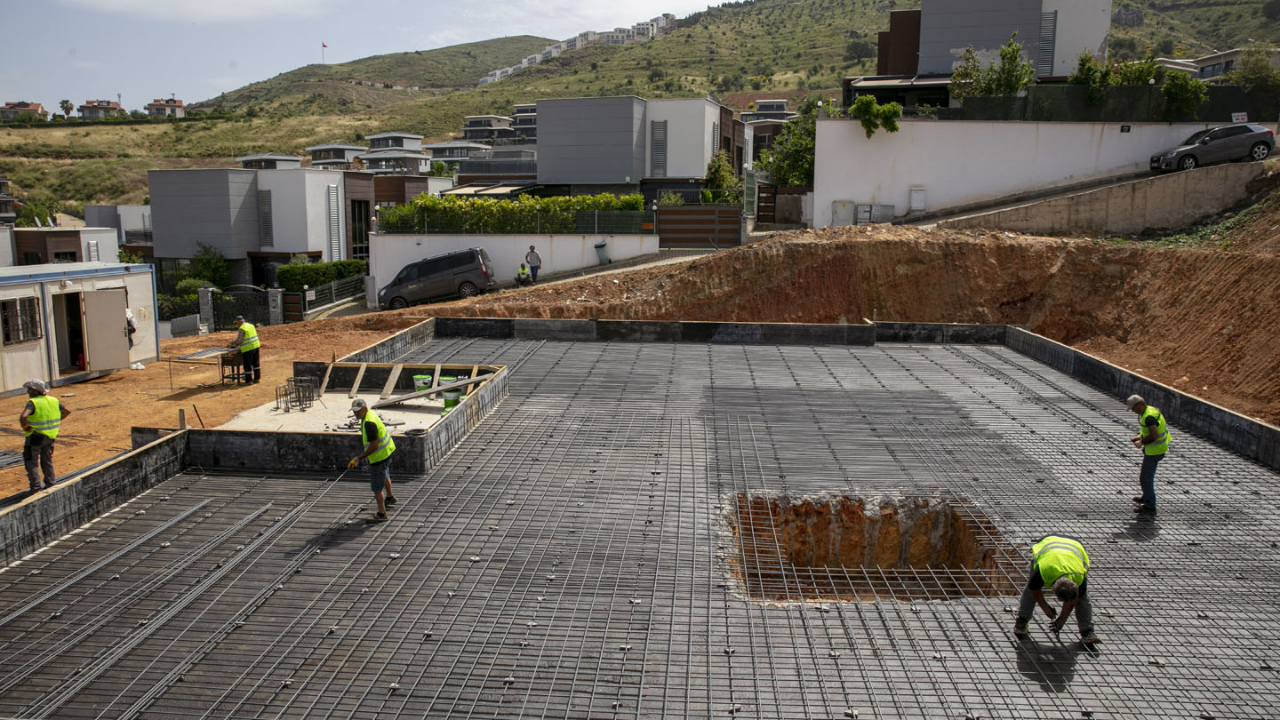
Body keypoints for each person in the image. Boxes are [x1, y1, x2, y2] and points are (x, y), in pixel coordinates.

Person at [1014, 534, 1100, 646]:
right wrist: (1046, 608)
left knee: (1083, 598)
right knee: (1030, 589)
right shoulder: (1043, 571)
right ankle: (1022, 621)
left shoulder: (1079, 577)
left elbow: (1074, 599)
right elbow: (1035, 590)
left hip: (1074, 546)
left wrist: (1062, 619)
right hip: (1047, 543)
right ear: (1053, 588)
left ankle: (1087, 632)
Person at [347, 398, 398, 523]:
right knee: (385, 475)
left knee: (377, 488)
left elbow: (374, 446)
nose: (356, 414)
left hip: (379, 457)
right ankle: (390, 497)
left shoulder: (369, 423)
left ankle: (382, 514)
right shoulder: (370, 414)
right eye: (354, 411)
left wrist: (358, 458)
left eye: (358, 411)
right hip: (387, 451)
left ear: (365, 409)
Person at [18, 379, 71, 492]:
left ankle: (36, 488)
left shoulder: (33, 402)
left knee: (31, 461)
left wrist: (27, 428)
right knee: (47, 460)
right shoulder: (54, 400)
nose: (28, 392)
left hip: (35, 436)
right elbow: (66, 412)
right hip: (50, 436)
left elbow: (23, 417)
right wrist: (53, 423)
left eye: (29, 389)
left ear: (35, 390)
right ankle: (50, 483)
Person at [1126, 394, 1168, 514]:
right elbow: (1151, 430)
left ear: (1139, 405)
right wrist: (1139, 437)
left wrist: (1141, 442)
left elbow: (1154, 435)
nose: (1133, 411)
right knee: (1145, 477)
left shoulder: (1148, 417)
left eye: (1133, 408)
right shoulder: (1150, 411)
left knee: (1146, 478)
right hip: (1157, 449)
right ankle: (1146, 497)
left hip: (1155, 451)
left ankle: (1150, 505)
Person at [228, 315, 261, 384]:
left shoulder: (242, 328)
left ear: (239, 322)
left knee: (247, 365)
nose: (236, 324)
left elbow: (240, 340)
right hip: (256, 346)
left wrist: (231, 344)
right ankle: (257, 378)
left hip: (248, 348)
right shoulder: (251, 325)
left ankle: (249, 380)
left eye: (236, 323)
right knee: (256, 363)